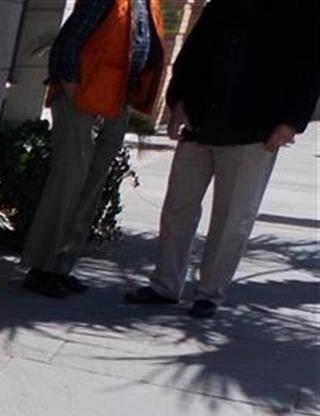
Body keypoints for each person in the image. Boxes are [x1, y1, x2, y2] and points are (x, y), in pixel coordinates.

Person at [124, 0, 319, 319]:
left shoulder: (301, 10)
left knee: (233, 218)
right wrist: (178, 101)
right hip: (200, 122)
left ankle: (209, 293)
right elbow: (193, 53)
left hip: (254, 131)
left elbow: (310, 68)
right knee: (178, 207)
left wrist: (290, 122)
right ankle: (165, 285)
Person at [21, 0, 165, 298]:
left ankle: (61, 267)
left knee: (91, 186)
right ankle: (41, 268)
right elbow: (67, 43)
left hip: (116, 100)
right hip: (84, 100)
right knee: (68, 182)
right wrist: (74, 90)